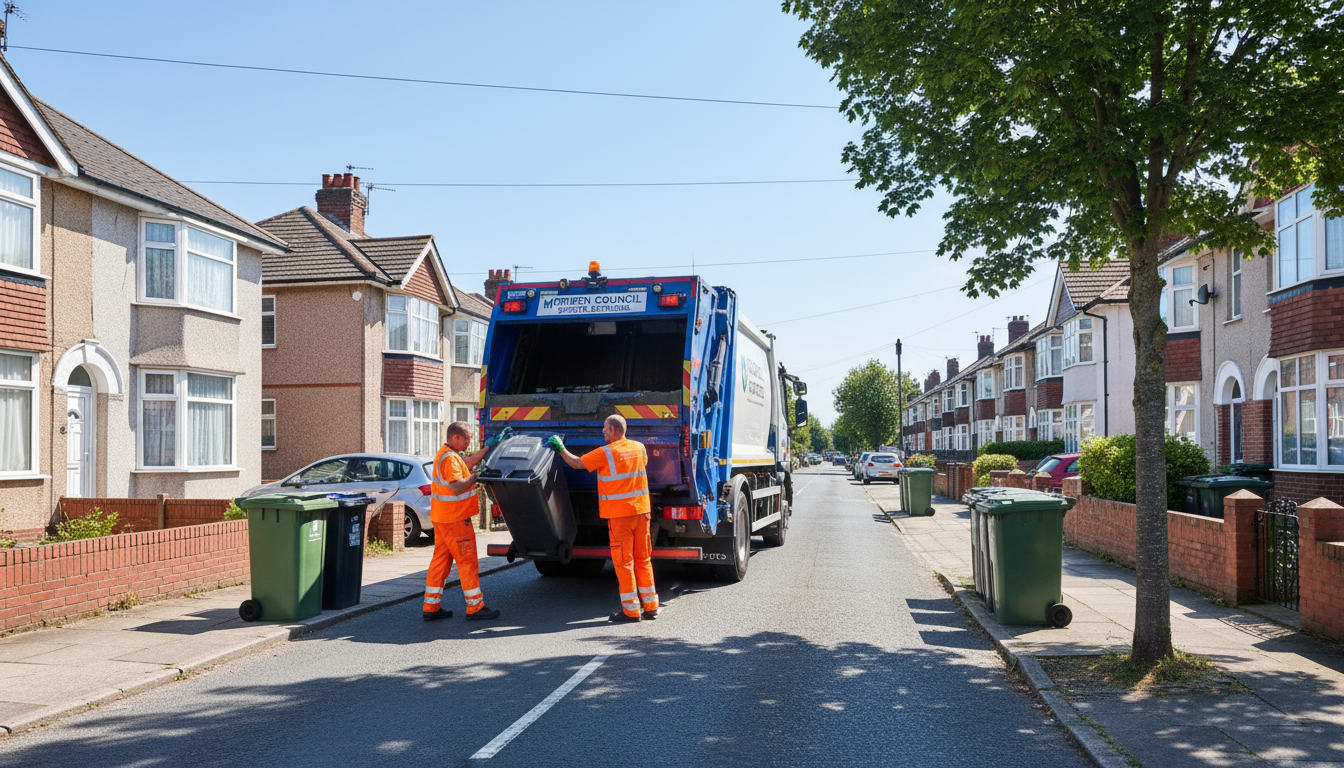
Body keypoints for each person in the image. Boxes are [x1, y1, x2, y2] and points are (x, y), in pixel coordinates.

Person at [548, 415, 658, 623]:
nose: (602, 432)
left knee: (624, 562)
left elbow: (576, 463)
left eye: (605, 429)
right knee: (643, 559)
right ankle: (651, 606)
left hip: (620, 515)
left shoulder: (606, 453)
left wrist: (560, 447)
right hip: (642, 512)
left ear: (615, 430)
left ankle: (631, 611)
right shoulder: (639, 448)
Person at [422, 422, 512, 622]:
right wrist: (477, 477)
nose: (468, 442)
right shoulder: (449, 459)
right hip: (455, 520)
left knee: (440, 562)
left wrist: (489, 447)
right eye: (467, 439)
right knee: (467, 561)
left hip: (443, 518)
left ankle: (431, 606)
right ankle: (475, 607)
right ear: (455, 437)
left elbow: (468, 462)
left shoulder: (448, 454)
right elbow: (457, 487)